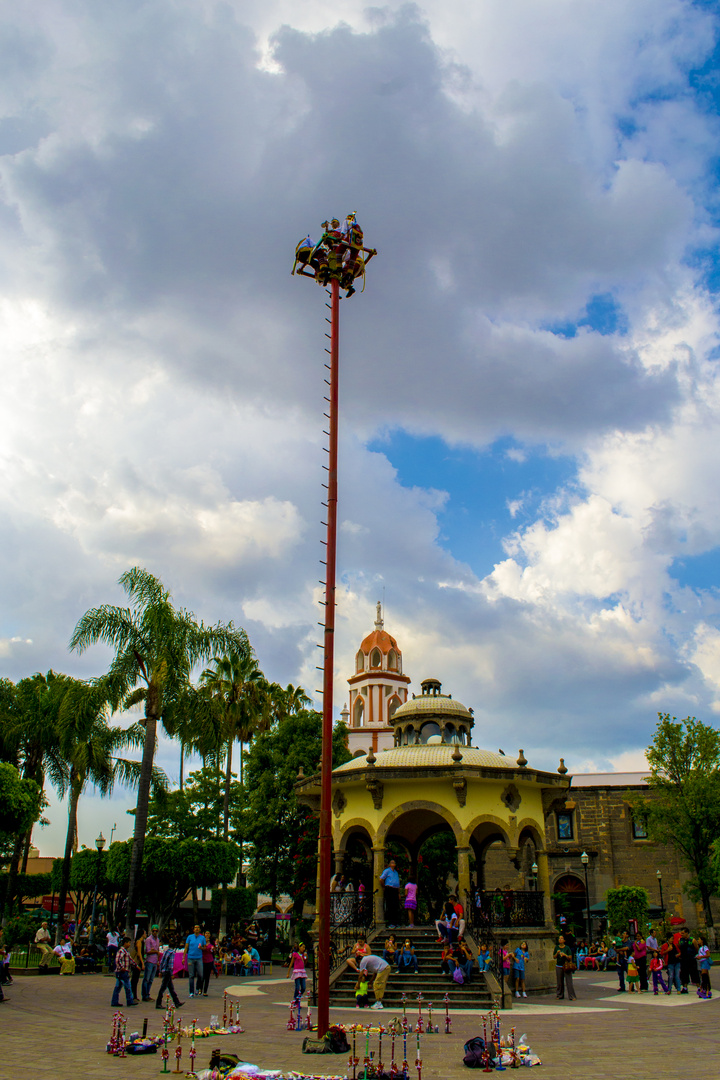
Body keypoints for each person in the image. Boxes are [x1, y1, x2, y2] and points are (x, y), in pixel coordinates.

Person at [155, 936, 184, 1010]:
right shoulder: (172, 953)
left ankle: (176, 1002)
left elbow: (162, 962)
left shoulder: (166, 952)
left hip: (164, 971)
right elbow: (170, 965)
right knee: (163, 988)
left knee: (171, 988)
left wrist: (160, 971)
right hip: (168, 972)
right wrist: (172, 974)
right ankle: (158, 1003)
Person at [111, 936, 136, 1008]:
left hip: (124, 971)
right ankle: (129, 1000)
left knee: (118, 986)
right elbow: (117, 960)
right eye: (128, 943)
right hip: (122, 971)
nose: (129, 944)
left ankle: (114, 1001)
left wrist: (135, 965)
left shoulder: (126, 951)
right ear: (125, 943)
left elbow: (130, 960)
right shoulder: (121, 951)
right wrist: (121, 968)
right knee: (127, 986)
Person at [184, 923, 206, 999]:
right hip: (190, 957)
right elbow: (186, 947)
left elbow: (205, 947)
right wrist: (184, 957)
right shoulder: (189, 937)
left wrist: (201, 948)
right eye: (195, 928)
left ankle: (197, 988)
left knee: (201, 975)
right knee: (191, 975)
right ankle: (191, 992)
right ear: (193, 929)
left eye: (198, 928)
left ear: (199, 930)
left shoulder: (202, 938)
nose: (196, 929)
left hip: (199, 958)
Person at [553, 935, 576, 1000]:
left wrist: (565, 955)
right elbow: (554, 957)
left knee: (569, 982)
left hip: (566, 966)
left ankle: (572, 996)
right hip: (559, 966)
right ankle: (559, 995)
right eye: (559, 938)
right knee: (559, 982)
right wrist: (557, 953)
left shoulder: (567, 948)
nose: (560, 939)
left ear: (564, 940)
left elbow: (570, 957)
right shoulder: (556, 947)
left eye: (561, 938)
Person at [143, 925, 161, 1001]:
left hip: (154, 961)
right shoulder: (148, 939)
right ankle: (145, 995)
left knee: (151, 979)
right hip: (149, 961)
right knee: (146, 979)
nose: (154, 932)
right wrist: (156, 951)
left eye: (156, 931)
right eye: (153, 931)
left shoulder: (157, 940)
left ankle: (148, 994)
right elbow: (148, 950)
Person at [380, 860, 400, 927]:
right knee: (390, 905)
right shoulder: (387, 871)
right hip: (389, 889)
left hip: (395, 889)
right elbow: (381, 879)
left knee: (396, 906)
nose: (393, 863)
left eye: (394, 862)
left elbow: (398, 883)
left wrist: (398, 893)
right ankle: (390, 922)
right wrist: (384, 886)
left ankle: (396, 922)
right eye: (392, 862)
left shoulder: (396, 873)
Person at [128, 928, 146, 1003]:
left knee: (136, 979)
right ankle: (133, 996)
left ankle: (134, 995)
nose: (146, 935)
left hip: (138, 962)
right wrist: (142, 963)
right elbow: (139, 953)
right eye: (145, 933)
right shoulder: (139, 942)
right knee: (134, 980)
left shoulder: (142, 942)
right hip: (136, 962)